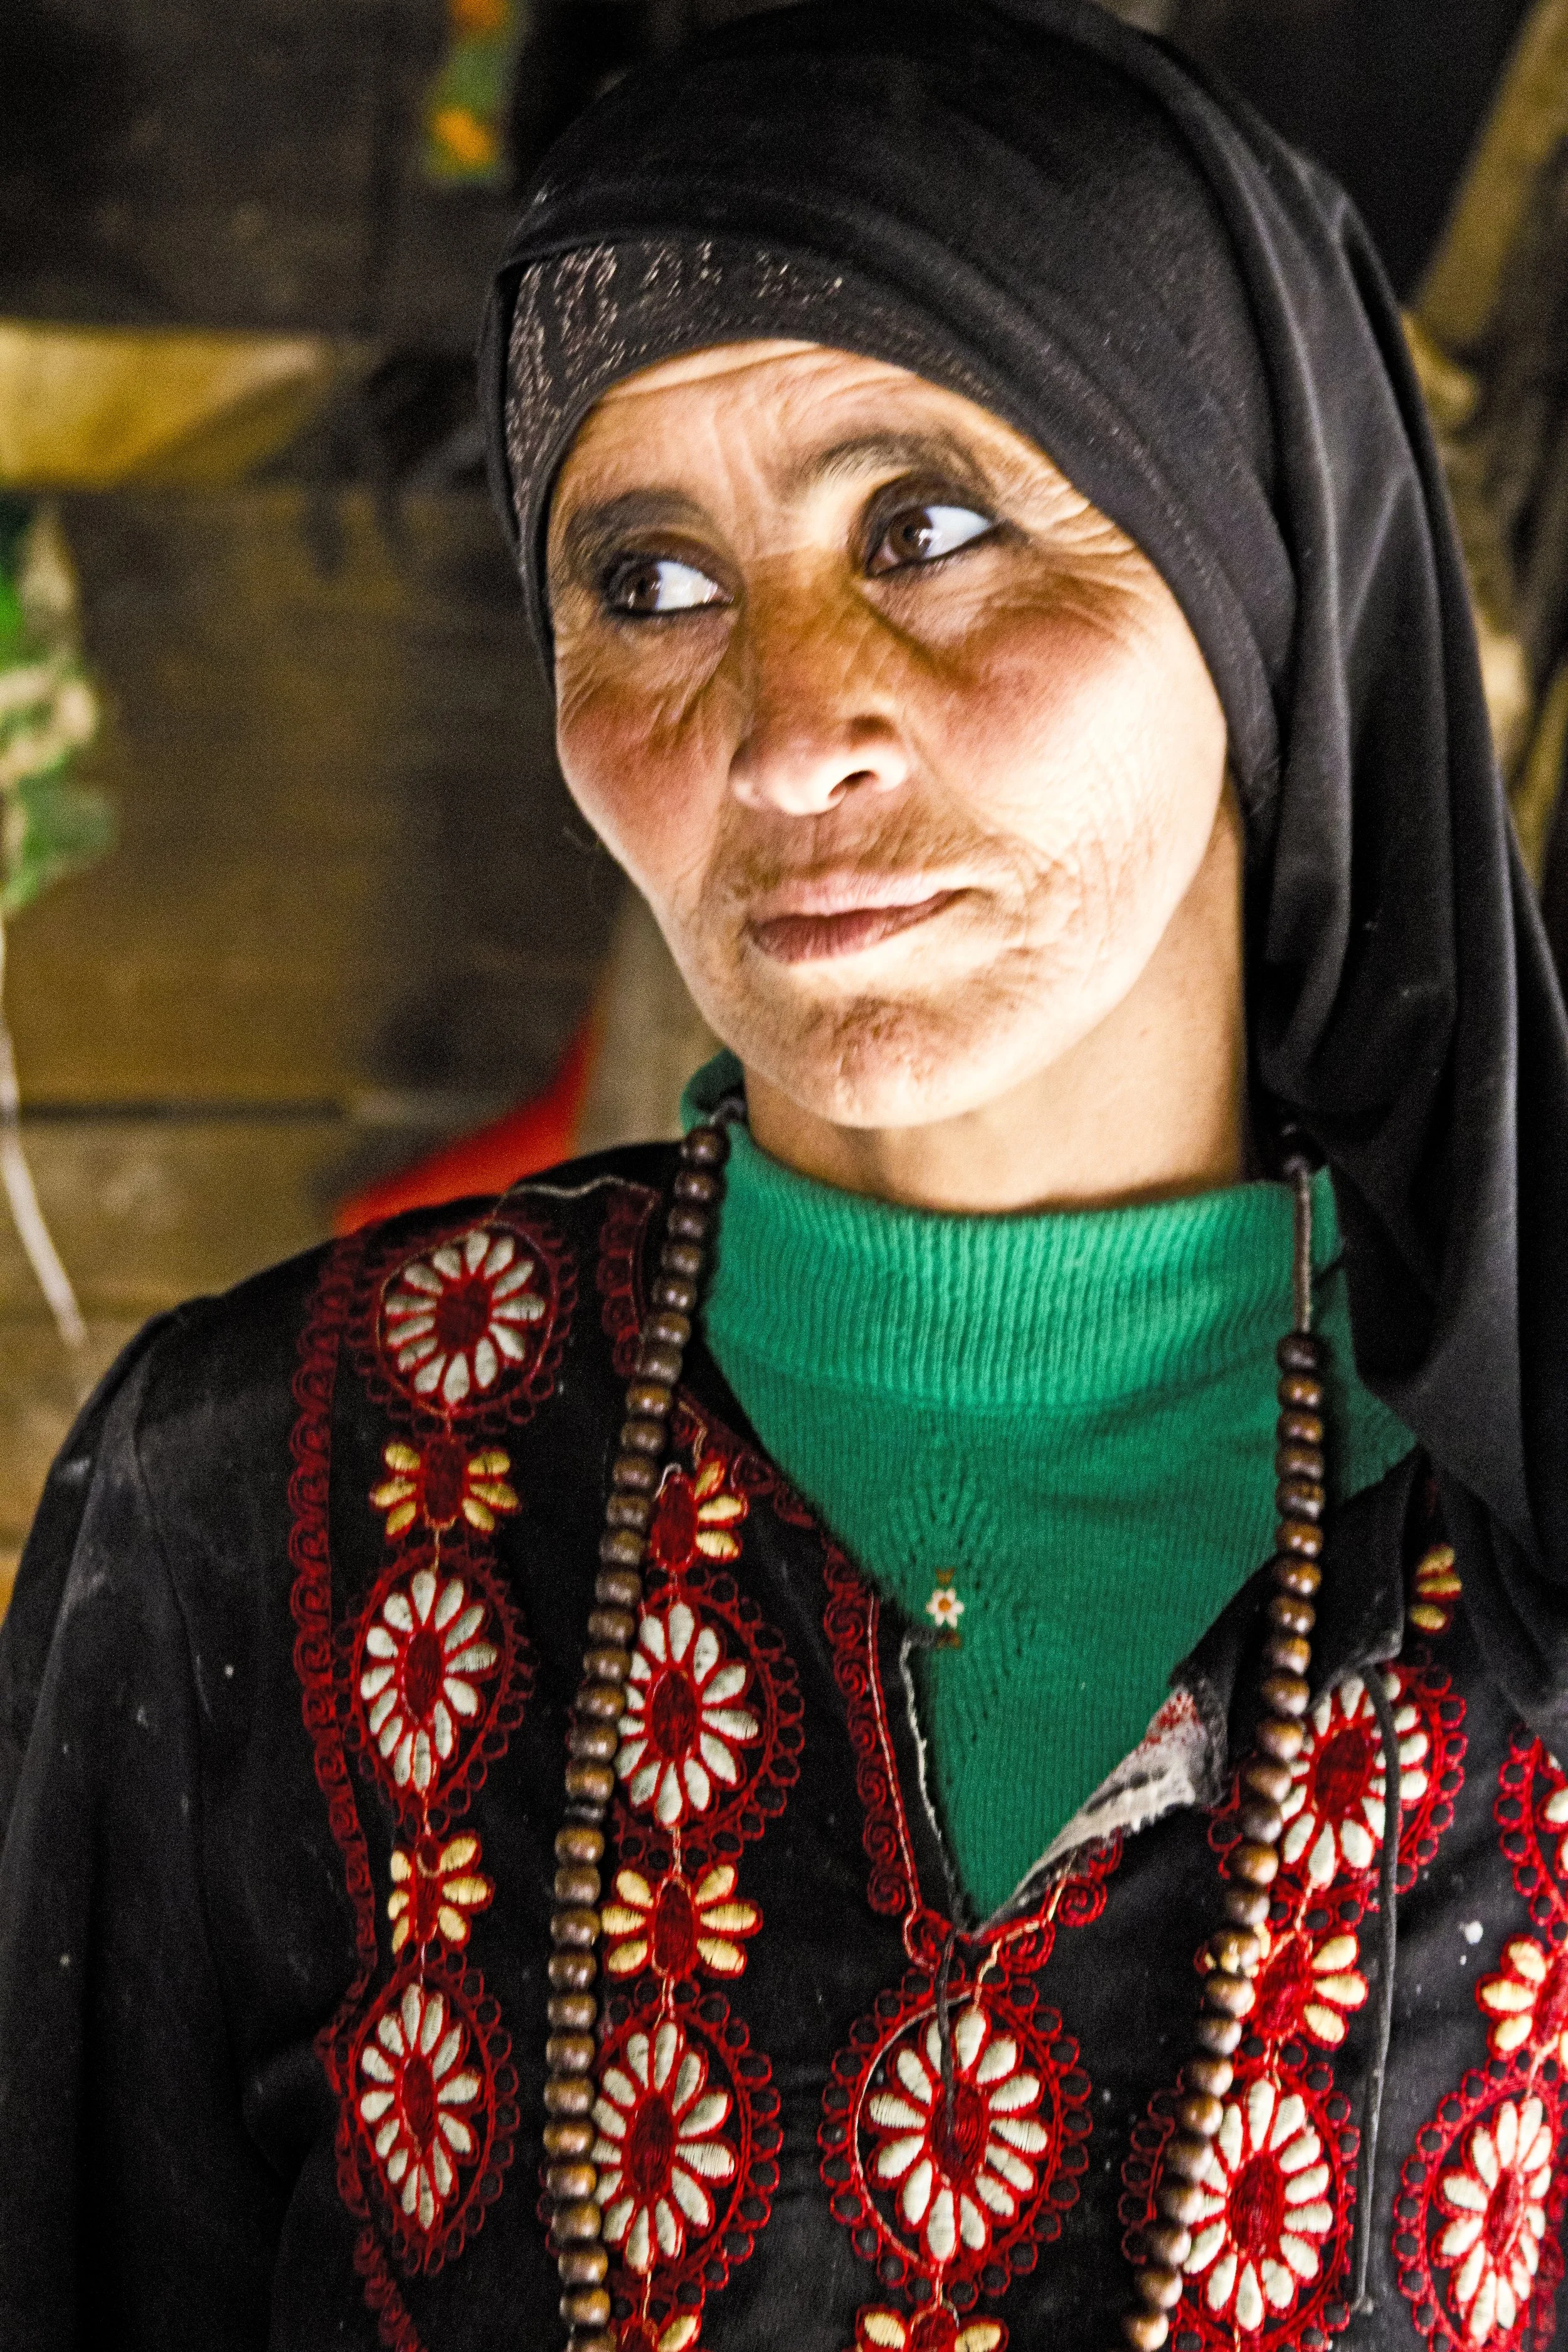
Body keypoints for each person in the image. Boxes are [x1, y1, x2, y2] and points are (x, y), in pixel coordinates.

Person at [6, 3, 1568, 2346]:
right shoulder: (258, 1497)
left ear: (1247, 565)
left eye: (922, 531)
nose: (778, 731)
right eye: (648, 581)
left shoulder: (1519, 1556)